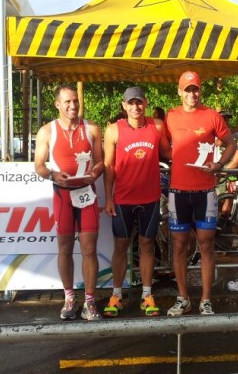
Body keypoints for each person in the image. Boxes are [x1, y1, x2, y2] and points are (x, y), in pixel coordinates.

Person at [165, 71, 236, 316]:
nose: (192, 94)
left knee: (206, 245)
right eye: (187, 89)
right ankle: (183, 298)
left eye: (195, 89)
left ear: (200, 90)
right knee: (179, 246)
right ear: (179, 92)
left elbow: (231, 143)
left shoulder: (212, 115)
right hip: (177, 192)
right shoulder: (171, 116)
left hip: (205, 192)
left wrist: (220, 164)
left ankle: (206, 299)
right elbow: (162, 145)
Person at [34, 84, 104, 321]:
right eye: (67, 102)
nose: (73, 105)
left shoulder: (92, 128)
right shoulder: (47, 131)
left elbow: (101, 161)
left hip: (86, 193)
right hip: (62, 194)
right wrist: (53, 175)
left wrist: (96, 172)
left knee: (89, 249)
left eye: (75, 101)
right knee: (64, 249)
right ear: (57, 105)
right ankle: (69, 298)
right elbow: (39, 166)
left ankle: (90, 302)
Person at [102, 86, 171, 318]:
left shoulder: (157, 126)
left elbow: (168, 153)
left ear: (146, 103)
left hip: (150, 198)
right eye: (131, 103)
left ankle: (147, 295)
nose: (135, 107)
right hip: (123, 199)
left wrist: (198, 152)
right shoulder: (113, 130)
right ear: (124, 105)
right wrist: (108, 197)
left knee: (147, 245)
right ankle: (116, 295)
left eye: (139, 102)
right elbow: (108, 165)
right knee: (121, 246)